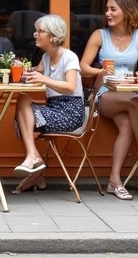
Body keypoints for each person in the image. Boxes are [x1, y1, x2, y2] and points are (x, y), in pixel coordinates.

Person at [79, 0, 138, 201]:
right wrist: (101, 72)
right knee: (136, 103)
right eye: (107, 9)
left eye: (113, 9)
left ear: (127, 11)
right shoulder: (99, 35)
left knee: (128, 123)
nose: (108, 14)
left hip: (129, 92)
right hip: (104, 94)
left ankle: (114, 180)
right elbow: (83, 67)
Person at [10, 13, 85, 194]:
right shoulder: (45, 58)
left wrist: (43, 78)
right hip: (54, 108)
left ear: (53, 36)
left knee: (24, 117)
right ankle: (36, 164)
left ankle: (33, 160)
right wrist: (23, 70)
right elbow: (35, 74)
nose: (36, 34)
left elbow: (70, 86)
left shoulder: (69, 57)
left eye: (40, 31)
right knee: (23, 102)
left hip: (70, 112)